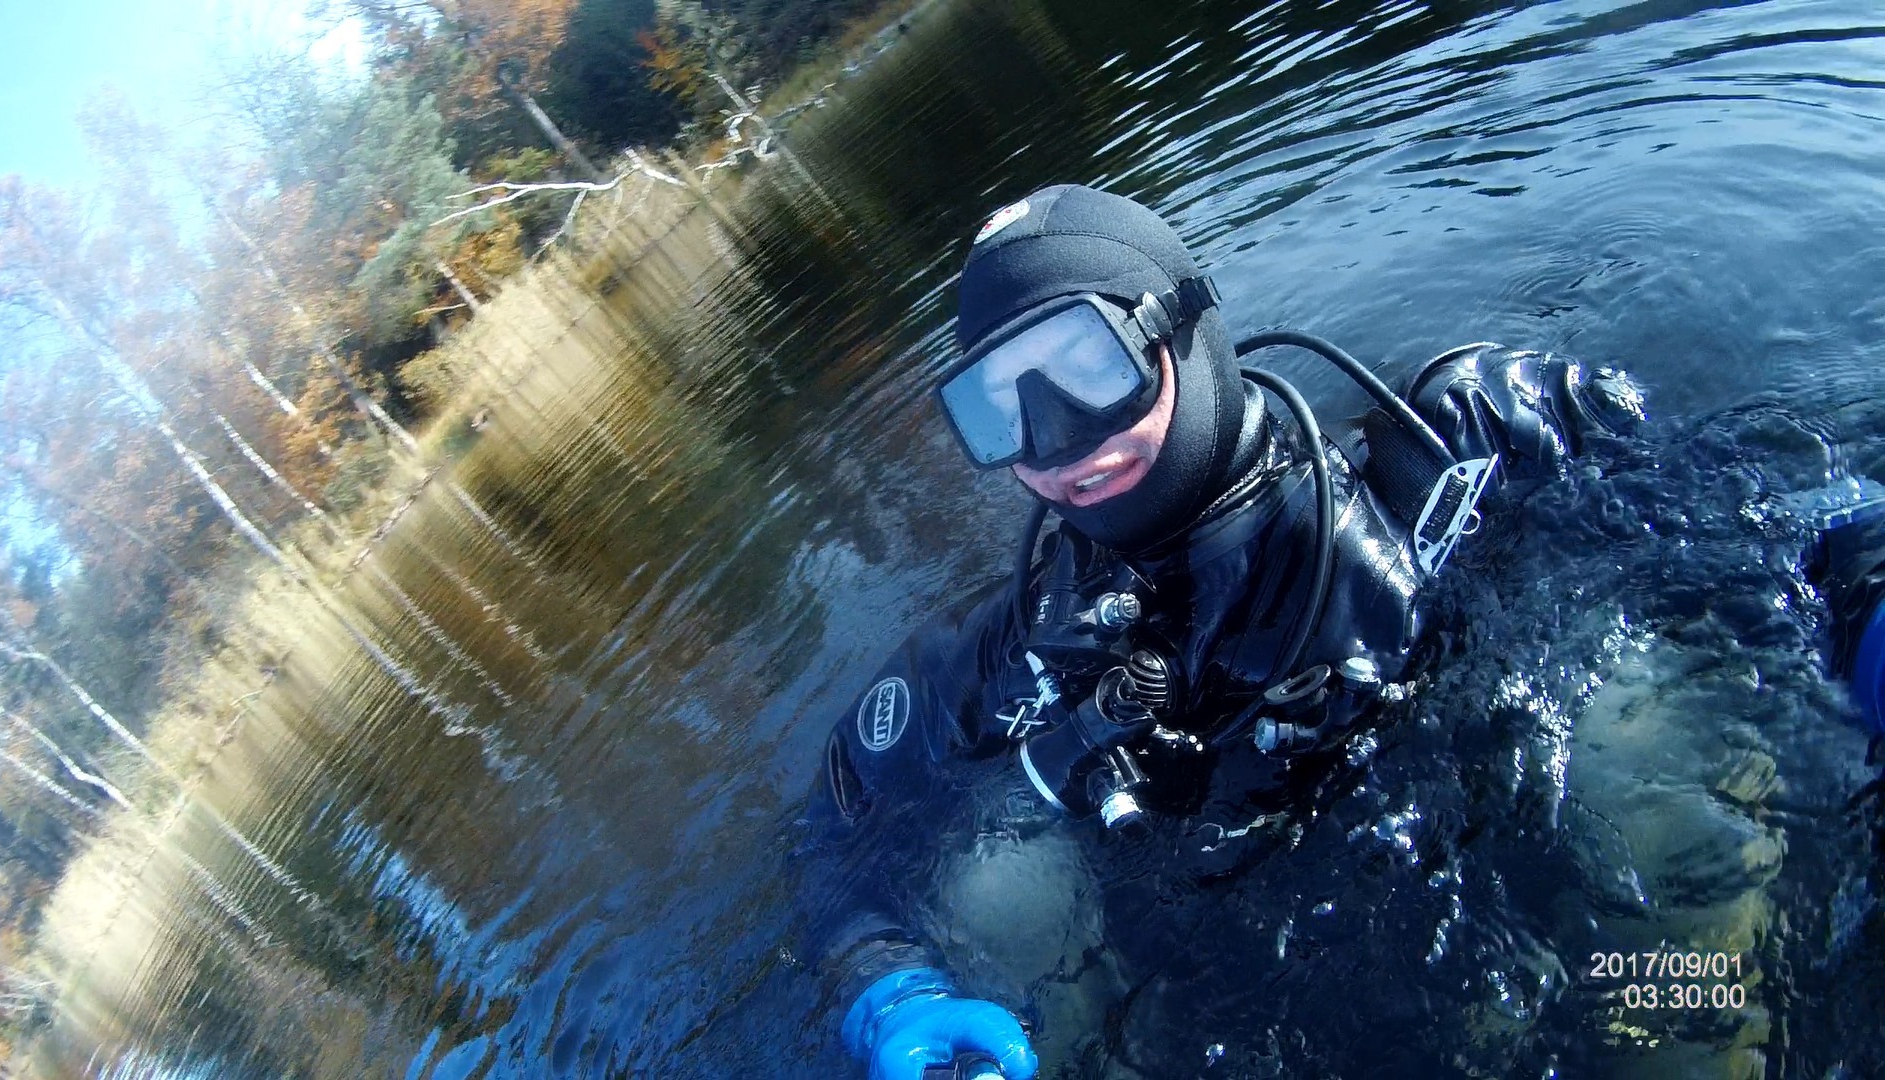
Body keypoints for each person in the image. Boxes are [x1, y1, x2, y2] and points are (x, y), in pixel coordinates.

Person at [789, 183, 1885, 1080]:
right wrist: (886, 988)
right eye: (1001, 408)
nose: (1059, 441)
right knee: (998, 885)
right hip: (1260, 985)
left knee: (1629, 717)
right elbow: (840, 823)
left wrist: (1872, 603)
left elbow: (1766, 502)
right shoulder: (1024, 648)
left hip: (1540, 869)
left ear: (1181, 326)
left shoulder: (1455, 450)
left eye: (1086, 365)